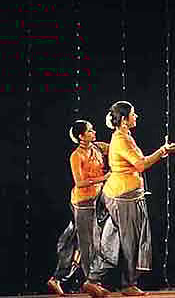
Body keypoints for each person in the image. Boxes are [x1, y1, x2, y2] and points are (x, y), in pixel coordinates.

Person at [83, 101, 175, 297]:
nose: (136, 116)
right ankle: (121, 283)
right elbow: (141, 165)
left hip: (125, 196)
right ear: (124, 119)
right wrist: (162, 151)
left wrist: (166, 151)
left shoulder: (125, 137)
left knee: (119, 240)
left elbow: (137, 164)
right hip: (122, 197)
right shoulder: (121, 139)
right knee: (127, 241)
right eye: (133, 114)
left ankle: (102, 281)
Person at [47, 121, 109, 295]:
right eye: (90, 131)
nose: (94, 132)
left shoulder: (98, 147)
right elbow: (80, 182)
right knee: (88, 244)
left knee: (77, 243)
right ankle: (92, 282)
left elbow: (117, 149)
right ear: (81, 136)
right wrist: (104, 178)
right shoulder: (76, 155)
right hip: (82, 203)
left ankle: (57, 278)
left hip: (96, 200)